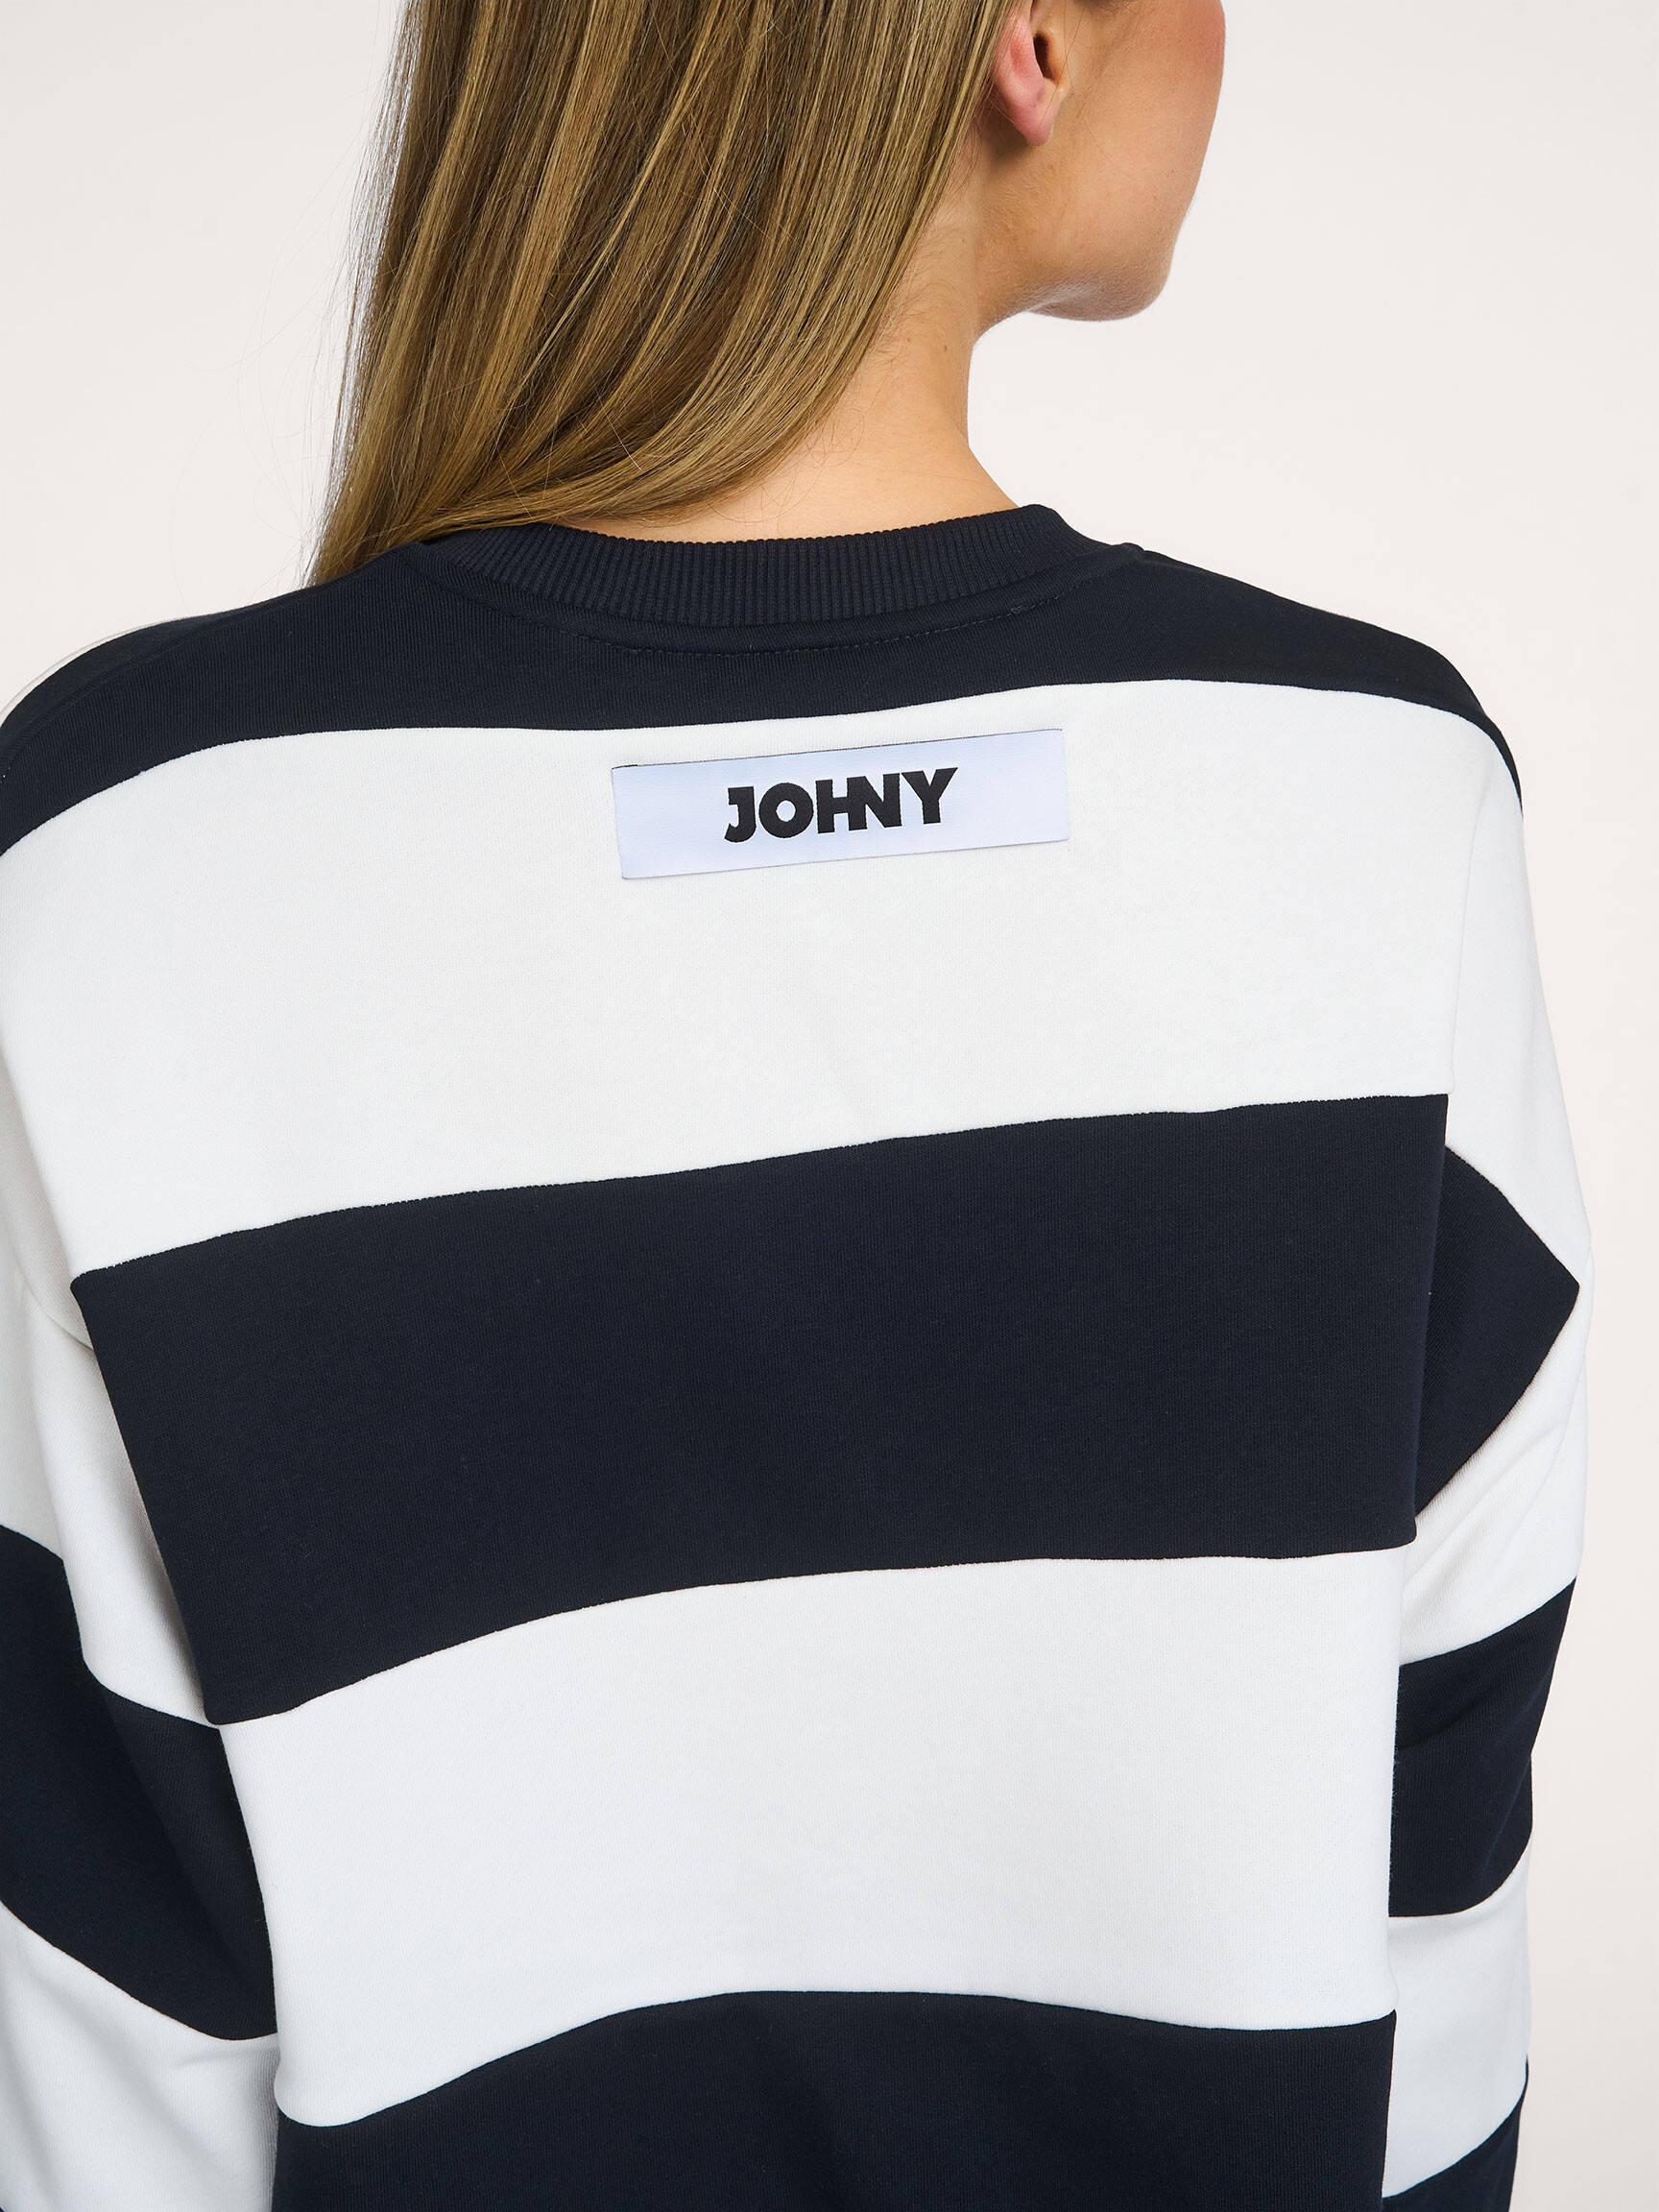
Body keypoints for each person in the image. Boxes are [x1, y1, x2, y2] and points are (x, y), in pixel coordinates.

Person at [0, 0, 1589, 2206]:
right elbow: (1435, 1931)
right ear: (1033, 39)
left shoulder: (115, 844)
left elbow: (105, 2040)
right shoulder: (1371, 799)